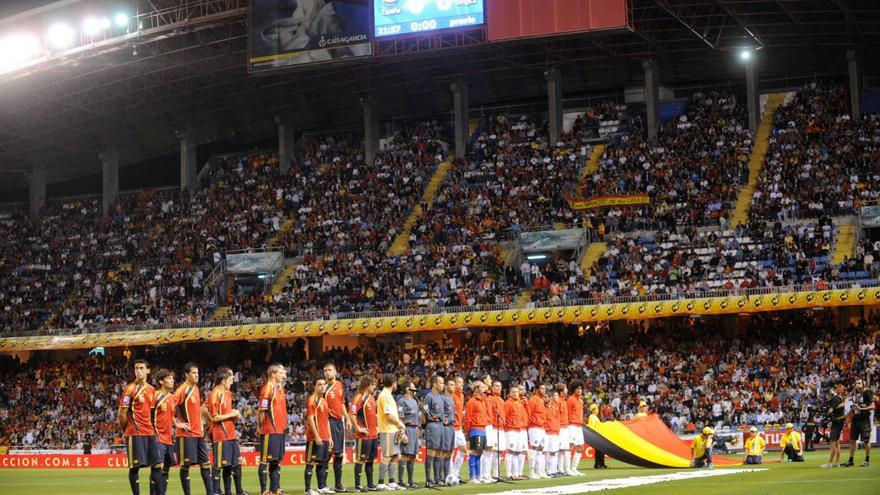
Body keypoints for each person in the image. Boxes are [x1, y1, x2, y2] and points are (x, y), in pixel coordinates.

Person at [118, 359, 162, 495]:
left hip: (149, 433)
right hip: (135, 433)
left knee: (157, 465)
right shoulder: (130, 389)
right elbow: (121, 414)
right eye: (136, 368)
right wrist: (127, 430)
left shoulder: (152, 390)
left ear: (148, 371)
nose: (138, 371)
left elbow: (152, 412)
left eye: (142, 368)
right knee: (135, 467)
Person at [173, 363, 214, 495]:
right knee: (186, 466)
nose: (197, 375)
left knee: (206, 463)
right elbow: (168, 407)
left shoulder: (196, 388)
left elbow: (195, 410)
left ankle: (210, 492)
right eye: (194, 373)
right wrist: (176, 423)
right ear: (186, 375)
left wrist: (201, 424)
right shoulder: (181, 390)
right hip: (186, 434)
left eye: (197, 373)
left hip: (198, 434)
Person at [205, 367, 246, 495]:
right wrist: (231, 414)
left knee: (230, 465)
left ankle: (229, 492)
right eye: (230, 379)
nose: (232, 381)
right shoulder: (215, 394)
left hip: (231, 434)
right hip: (220, 434)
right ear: (223, 380)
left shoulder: (228, 394)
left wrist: (235, 416)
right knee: (218, 465)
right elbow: (215, 416)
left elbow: (226, 414)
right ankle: (215, 492)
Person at [324, 362, 357, 492]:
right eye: (325, 370)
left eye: (330, 370)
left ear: (335, 371)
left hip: (339, 422)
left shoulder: (339, 385)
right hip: (329, 421)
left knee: (339, 454)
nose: (327, 372)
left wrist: (347, 419)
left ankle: (338, 485)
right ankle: (324, 486)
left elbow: (342, 403)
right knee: (327, 454)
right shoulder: (323, 387)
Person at [257, 363, 288, 495]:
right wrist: (260, 427)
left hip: (279, 430)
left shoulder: (279, 388)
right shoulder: (267, 388)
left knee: (276, 460)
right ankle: (264, 490)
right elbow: (261, 411)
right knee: (265, 460)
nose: (283, 375)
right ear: (273, 374)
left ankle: (275, 489)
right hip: (270, 430)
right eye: (281, 373)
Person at [152, 369, 179, 495]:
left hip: (169, 439)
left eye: (172, 378)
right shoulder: (154, 396)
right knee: (158, 467)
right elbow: (148, 415)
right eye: (169, 378)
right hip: (157, 437)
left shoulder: (172, 398)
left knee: (166, 469)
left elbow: (171, 416)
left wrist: (178, 423)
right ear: (161, 381)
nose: (172, 380)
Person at [376, 373, 405, 490]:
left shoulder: (388, 395)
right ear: (393, 384)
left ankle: (392, 482)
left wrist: (398, 427)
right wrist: (400, 424)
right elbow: (388, 415)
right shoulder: (385, 395)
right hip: (387, 430)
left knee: (394, 456)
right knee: (387, 456)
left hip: (392, 430)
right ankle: (381, 482)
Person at [305, 378, 332, 495]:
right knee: (311, 462)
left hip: (325, 437)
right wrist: (316, 436)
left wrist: (330, 437)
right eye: (319, 385)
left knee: (323, 462)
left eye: (323, 384)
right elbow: (310, 419)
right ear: (315, 387)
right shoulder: (311, 400)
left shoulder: (324, 401)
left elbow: (326, 421)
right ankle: (308, 489)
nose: (322, 386)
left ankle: (322, 487)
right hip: (314, 438)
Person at [351, 375, 378, 492]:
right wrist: (358, 428)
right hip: (363, 436)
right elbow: (351, 414)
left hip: (373, 435)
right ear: (367, 385)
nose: (374, 387)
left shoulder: (371, 398)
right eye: (372, 384)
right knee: (360, 460)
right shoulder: (359, 398)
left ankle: (370, 484)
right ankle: (357, 486)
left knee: (370, 460)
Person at [422, 375, 446, 488]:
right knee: (431, 452)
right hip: (433, 426)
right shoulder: (429, 397)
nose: (443, 385)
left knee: (439, 453)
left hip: (441, 426)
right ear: (435, 384)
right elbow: (424, 412)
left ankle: (438, 479)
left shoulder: (441, 397)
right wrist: (427, 423)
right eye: (441, 383)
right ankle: (428, 479)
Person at [396, 379, 421, 489]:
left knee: (413, 456)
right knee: (405, 455)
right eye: (412, 386)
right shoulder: (401, 401)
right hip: (407, 429)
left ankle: (411, 481)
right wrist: (402, 433)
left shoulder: (415, 401)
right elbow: (400, 418)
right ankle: (400, 481)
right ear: (407, 389)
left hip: (415, 429)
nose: (415, 388)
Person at [844, 378, 874, 467]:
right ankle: (851, 460)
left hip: (864, 419)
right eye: (856, 383)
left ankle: (867, 460)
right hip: (856, 419)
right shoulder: (856, 394)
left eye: (859, 383)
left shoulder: (867, 393)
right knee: (852, 440)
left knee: (866, 440)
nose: (857, 385)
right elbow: (850, 402)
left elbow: (873, 406)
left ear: (863, 384)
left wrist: (861, 409)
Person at [464, 381, 490, 483]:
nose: (484, 388)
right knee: (474, 452)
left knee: (479, 453)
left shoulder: (484, 401)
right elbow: (467, 418)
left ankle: (478, 476)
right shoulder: (471, 402)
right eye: (482, 386)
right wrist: (467, 432)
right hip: (475, 429)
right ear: (476, 388)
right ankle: (472, 477)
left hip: (483, 429)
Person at [504, 385, 528, 480]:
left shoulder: (520, 403)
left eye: (517, 392)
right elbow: (504, 416)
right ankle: (509, 474)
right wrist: (507, 428)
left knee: (518, 452)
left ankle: (516, 474)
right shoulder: (508, 403)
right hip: (511, 430)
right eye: (513, 392)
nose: (515, 393)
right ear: (509, 393)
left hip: (519, 429)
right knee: (510, 451)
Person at [527, 384, 549, 478]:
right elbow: (528, 413)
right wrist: (534, 422)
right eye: (541, 388)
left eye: (544, 388)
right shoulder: (533, 400)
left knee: (541, 450)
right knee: (534, 448)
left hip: (541, 428)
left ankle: (540, 471)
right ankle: (531, 472)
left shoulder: (541, 401)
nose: (543, 390)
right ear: (536, 389)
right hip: (535, 428)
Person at [822, 382, 846, 468]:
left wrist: (825, 417)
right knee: (837, 442)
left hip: (836, 423)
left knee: (832, 442)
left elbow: (831, 410)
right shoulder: (841, 398)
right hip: (840, 422)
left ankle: (829, 463)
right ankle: (837, 462)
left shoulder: (835, 399)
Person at [487, 379, 506, 482]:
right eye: (496, 386)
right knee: (493, 451)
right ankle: (489, 474)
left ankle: (496, 473)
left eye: (500, 386)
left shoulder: (501, 400)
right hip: (494, 427)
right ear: (492, 388)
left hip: (501, 428)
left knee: (499, 452)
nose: (499, 388)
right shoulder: (491, 398)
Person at [448, 376, 466, 483]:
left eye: (462, 383)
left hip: (459, 428)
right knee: (451, 452)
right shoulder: (451, 396)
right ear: (454, 384)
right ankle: (450, 475)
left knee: (463, 449)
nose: (462, 384)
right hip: (452, 427)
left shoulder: (462, 396)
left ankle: (455, 473)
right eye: (459, 382)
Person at [566, 381, 585, 476]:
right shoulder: (570, 399)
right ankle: (567, 469)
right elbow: (568, 413)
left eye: (580, 388)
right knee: (570, 446)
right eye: (577, 388)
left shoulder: (581, 400)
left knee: (580, 447)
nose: (579, 390)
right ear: (573, 389)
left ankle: (574, 469)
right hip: (571, 426)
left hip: (579, 426)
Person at [543, 390, 561, 476]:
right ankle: (547, 471)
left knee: (554, 452)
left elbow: (557, 420)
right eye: (544, 397)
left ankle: (553, 470)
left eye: (546, 397)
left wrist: (557, 430)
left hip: (554, 433)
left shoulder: (555, 408)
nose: (544, 399)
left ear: (550, 398)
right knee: (546, 452)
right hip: (546, 433)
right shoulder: (542, 408)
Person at [555, 384, 571, 477]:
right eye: (566, 389)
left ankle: (563, 469)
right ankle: (560, 469)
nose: (567, 390)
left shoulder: (564, 401)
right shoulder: (559, 402)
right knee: (561, 449)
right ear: (561, 392)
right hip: (561, 427)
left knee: (564, 449)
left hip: (565, 427)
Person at [587, 404, 607, 469]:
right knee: (599, 451)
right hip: (596, 435)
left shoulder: (595, 417)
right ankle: (600, 464)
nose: (597, 410)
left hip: (598, 435)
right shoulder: (592, 417)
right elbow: (592, 426)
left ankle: (599, 464)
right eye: (596, 409)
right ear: (593, 410)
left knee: (599, 450)